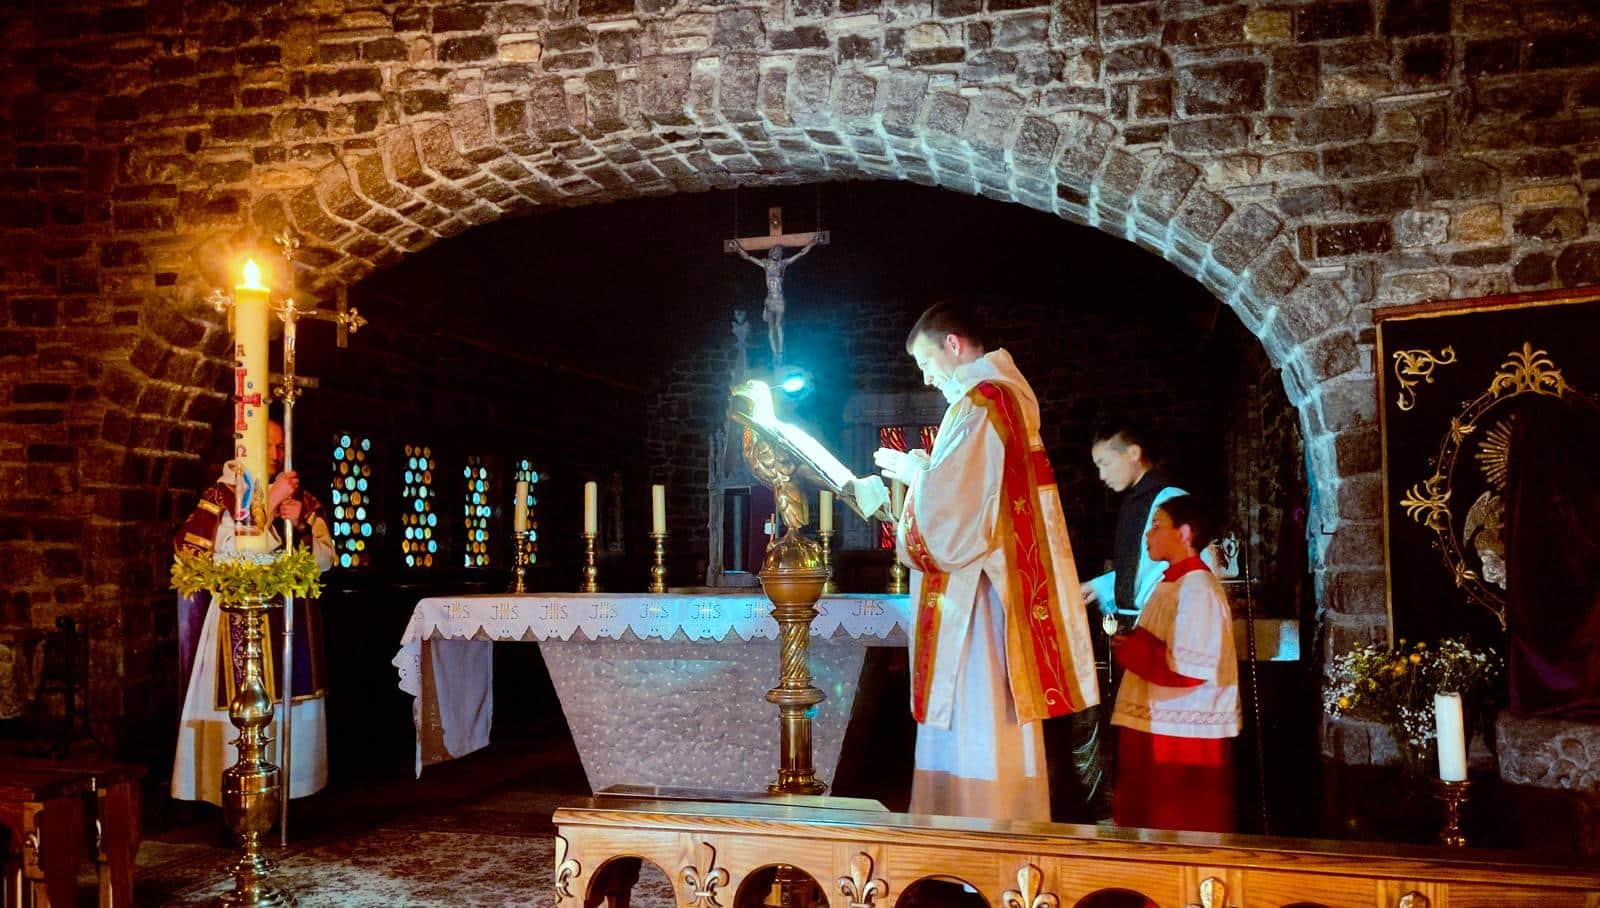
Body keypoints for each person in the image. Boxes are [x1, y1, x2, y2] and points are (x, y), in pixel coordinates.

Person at [871, 302, 1098, 821]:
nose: (927, 378)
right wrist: (928, 468)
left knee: (979, 715)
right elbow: (976, 492)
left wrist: (915, 474)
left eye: (926, 362)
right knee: (984, 721)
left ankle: (978, 832)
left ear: (953, 344)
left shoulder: (985, 401)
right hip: (989, 585)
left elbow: (957, 519)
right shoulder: (996, 398)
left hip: (978, 601)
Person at [172, 418, 334, 805]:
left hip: (289, 620)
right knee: (238, 704)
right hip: (236, 619)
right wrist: (270, 503)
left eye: (281, 447)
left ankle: (288, 793)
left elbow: (326, 561)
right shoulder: (222, 495)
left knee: (287, 705)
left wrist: (299, 526)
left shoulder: (304, 501)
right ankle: (234, 800)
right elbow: (222, 556)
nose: (276, 454)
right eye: (269, 445)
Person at [1109, 495, 1239, 833]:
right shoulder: (1173, 582)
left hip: (1183, 738)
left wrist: (1133, 651)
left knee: (1177, 826)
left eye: (1156, 525)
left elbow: (1189, 669)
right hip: (1159, 727)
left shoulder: (1197, 588)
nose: (1147, 534)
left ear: (1184, 533)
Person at [728, 235, 820, 361]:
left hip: (779, 299)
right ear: (771, 252)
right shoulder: (766, 263)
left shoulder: (783, 264)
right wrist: (738, 248)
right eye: (776, 251)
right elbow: (748, 257)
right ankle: (775, 354)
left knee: (778, 326)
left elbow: (801, 253)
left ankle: (780, 353)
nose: (778, 253)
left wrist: (813, 243)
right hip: (769, 300)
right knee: (771, 328)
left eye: (780, 252)